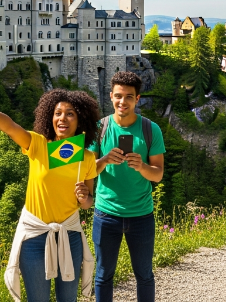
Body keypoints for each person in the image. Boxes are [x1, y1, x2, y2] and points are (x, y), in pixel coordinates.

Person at [0, 89, 100, 302]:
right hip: (34, 237)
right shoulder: (39, 145)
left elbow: (88, 203)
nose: (62, 118)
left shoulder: (86, 157)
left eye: (70, 114)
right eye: (58, 113)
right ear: (50, 117)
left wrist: (84, 196)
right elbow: (10, 126)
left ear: (81, 120)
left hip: (70, 235)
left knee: (68, 300)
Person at [89, 71, 166, 302]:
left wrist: (141, 166)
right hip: (106, 214)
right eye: (119, 96)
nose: (123, 102)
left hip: (141, 215)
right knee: (103, 275)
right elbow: (88, 171)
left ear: (137, 99)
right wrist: (104, 160)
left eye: (129, 97)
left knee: (144, 275)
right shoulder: (99, 128)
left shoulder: (150, 129)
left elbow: (158, 174)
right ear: (111, 96)